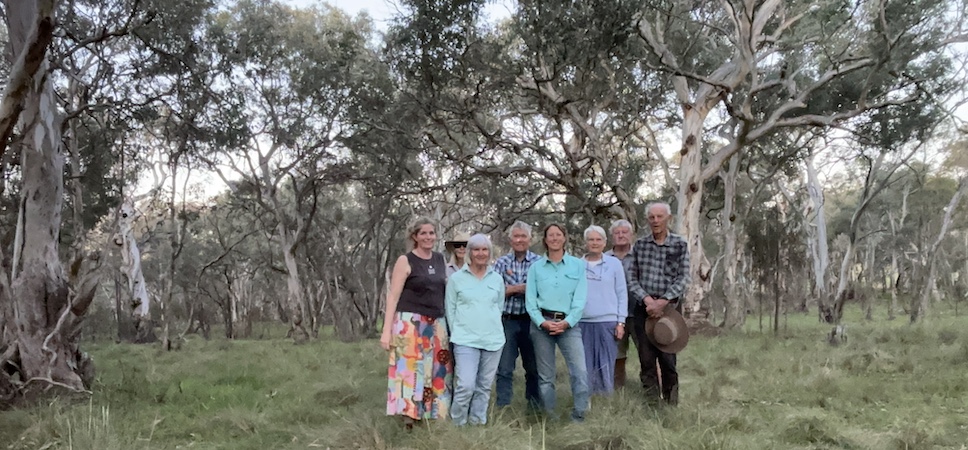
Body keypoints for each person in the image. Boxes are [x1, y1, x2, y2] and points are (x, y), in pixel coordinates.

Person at [380, 217, 453, 428]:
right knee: (410, 368)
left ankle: (433, 412)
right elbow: (393, 296)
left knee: (436, 368)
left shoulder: (440, 259)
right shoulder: (406, 260)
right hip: (410, 322)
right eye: (423, 233)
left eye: (431, 233)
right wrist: (386, 331)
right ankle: (409, 416)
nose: (428, 237)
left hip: (437, 322)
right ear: (414, 236)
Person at [627, 203, 691, 405]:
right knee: (646, 360)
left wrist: (662, 302)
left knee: (668, 360)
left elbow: (683, 278)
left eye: (659, 217)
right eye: (652, 217)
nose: (655, 221)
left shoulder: (680, 245)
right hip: (643, 307)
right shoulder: (640, 245)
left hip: (669, 310)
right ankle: (652, 404)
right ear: (647, 220)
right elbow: (632, 277)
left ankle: (671, 403)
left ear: (668, 218)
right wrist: (647, 300)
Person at [525, 224, 590, 422]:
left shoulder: (577, 265)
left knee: (579, 372)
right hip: (541, 326)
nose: (554, 238)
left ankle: (579, 416)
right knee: (546, 377)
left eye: (558, 235)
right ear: (545, 240)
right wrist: (542, 322)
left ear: (564, 238)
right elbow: (530, 300)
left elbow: (580, 299)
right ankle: (551, 417)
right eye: (550, 235)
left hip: (569, 326)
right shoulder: (535, 268)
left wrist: (567, 322)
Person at [445, 234, 505, 426]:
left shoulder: (496, 279)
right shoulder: (456, 279)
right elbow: (450, 309)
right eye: (476, 249)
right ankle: (458, 424)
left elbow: (499, 307)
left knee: (484, 387)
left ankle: (477, 423)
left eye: (484, 249)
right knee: (465, 385)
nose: (481, 253)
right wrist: (459, 333)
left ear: (489, 252)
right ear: (469, 252)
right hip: (465, 340)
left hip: (493, 340)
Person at [492, 221, 541, 409]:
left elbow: (542, 290)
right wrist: (520, 288)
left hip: (532, 321)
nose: (519, 240)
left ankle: (535, 408)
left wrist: (511, 289)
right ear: (510, 239)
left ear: (530, 239)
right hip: (507, 321)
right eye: (516, 236)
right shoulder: (501, 262)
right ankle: (503, 407)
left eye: (523, 236)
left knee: (534, 367)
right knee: (504, 368)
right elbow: (495, 292)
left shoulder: (538, 263)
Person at [579, 225, 628, 395]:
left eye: (598, 239)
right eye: (591, 240)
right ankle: (586, 400)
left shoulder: (614, 264)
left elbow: (622, 293)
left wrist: (621, 322)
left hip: (608, 322)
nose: (594, 243)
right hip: (582, 322)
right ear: (585, 243)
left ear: (605, 242)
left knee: (606, 364)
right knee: (585, 365)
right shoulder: (577, 265)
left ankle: (605, 402)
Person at [605, 219, 637, 389]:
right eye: (617, 233)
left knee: (647, 354)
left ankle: (654, 390)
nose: (621, 235)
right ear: (612, 237)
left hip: (639, 312)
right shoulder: (604, 258)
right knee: (617, 354)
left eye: (624, 232)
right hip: (614, 314)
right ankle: (617, 389)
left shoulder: (639, 255)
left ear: (631, 235)